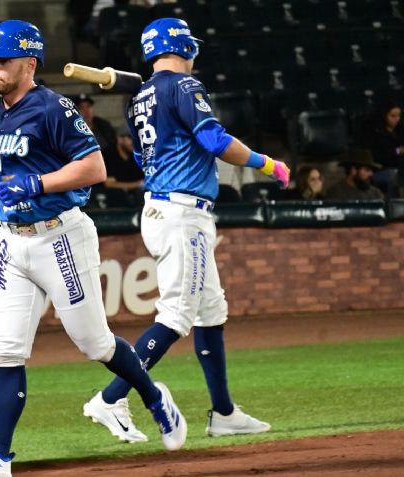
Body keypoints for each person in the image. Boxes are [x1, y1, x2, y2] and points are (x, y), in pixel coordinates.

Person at [0, 20, 187, 477]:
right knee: (7, 350)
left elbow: (94, 168)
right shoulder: (4, 111)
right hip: (14, 243)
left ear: (29, 63)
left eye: (1, 60)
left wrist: (38, 182)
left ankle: (156, 399)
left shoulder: (53, 106)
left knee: (94, 343)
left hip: (60, 238)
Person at [82, 18, 281, 445]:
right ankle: (111, 397)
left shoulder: (139, 97)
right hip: (182, 212)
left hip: (163, 208)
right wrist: (267, 164)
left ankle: (224, 412)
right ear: (185, 46)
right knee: (176, 315)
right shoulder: (185, 87)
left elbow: (140, 157)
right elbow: (214, 139)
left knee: (212, 310)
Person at [368, 101, 404, 197]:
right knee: (394, 176)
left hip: (402, 168)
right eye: (393, 116)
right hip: (381, 170)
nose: (397, 119)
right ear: (384, 115)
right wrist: (398, 151)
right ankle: (394, 205)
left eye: (398, 116)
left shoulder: (402, 130)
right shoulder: (376, 133)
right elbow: (377, 156)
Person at [73, 94, 119, 177]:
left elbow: (114, 143)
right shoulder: (73, 128)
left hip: (109, 162)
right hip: (87, 164)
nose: (86, 110)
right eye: (81, 107)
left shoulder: (103, 124)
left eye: (88, 106)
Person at [105, 124, 144, 191]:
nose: (134, 142)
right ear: (119, 139)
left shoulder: (136, 154)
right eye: (130, 137)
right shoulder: (108, 155)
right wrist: (138, 184)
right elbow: (109, 184)